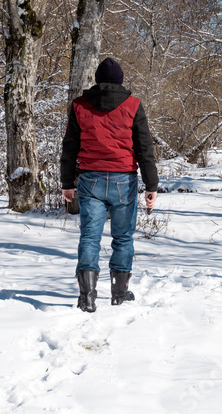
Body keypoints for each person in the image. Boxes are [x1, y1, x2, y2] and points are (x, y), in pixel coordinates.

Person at [60, 57, 158, 312]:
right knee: (123, 237)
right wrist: (152, 185)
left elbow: (69, 146)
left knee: (90, 236)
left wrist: (67, 182)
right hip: (123, 179)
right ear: (120, 80)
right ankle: (119, 293)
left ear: (97, 80)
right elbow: (144, 147)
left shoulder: (80, 105)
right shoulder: (133, 105)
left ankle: (87, 296)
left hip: (90, 179)